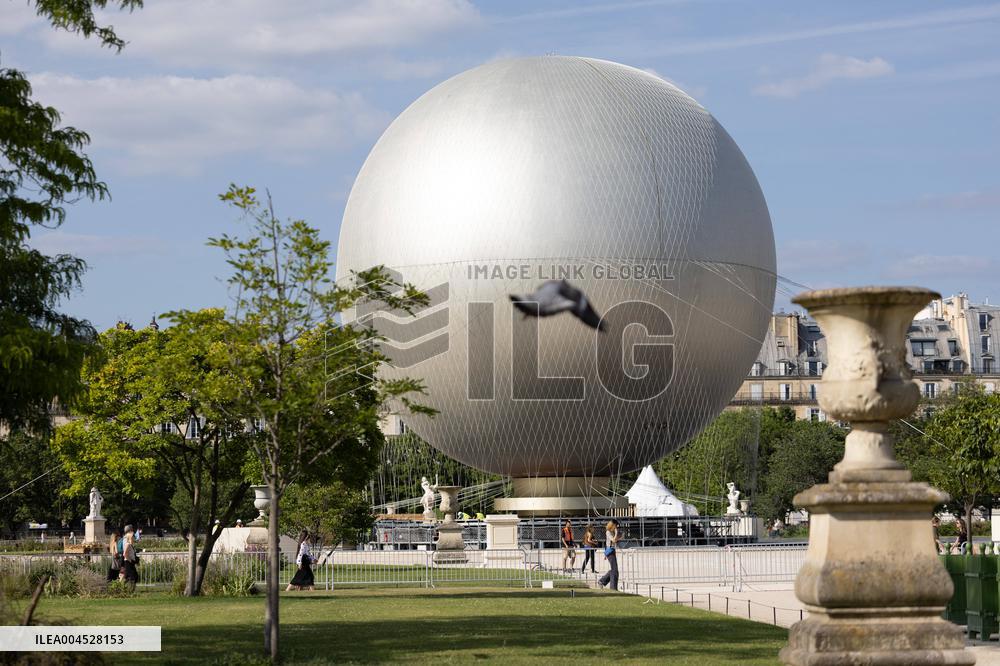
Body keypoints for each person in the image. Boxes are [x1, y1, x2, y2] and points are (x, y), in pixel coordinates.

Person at [598, 519, 620, 590]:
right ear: (613, 525)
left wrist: (620, 536)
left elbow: (614, 541)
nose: (616, 527)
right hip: (610, 551)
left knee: (614, 570)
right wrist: (616, 533)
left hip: (612, 550)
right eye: (616, 526)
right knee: (614, 570)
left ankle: (602, 581)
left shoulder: (611, 532)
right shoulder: (608, 532)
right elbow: (612, 540)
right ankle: (612, 587)